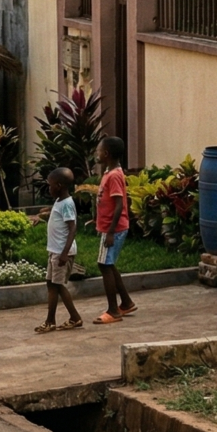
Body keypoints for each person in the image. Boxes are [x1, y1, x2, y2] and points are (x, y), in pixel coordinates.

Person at [93, 136, 138, 323]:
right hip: (108, 227)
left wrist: (110, 231)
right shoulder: (108, 172)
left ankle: (113, 310)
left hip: (114, 229)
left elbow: (119, 205)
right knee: (108, 264)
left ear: (106, 154)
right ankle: (126, 302)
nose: (96, 153)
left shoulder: (115, 175)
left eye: (98, 150)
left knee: (104, 265)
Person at [37, 167, 82, 333]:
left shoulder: (67, 204)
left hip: (62, 253)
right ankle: (55, 320)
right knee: (51, 284)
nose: (49, 188)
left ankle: (68, 318)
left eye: (51, 185)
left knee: (58, 285)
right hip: (54, 251)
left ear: (60, 185)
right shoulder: (59, 201)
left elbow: (72, 228)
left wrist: (64, 253)